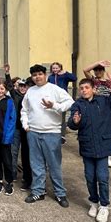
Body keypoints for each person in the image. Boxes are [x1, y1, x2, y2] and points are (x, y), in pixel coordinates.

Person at [68, 74, 111, 222]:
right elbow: (71, 123)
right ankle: (94, 202)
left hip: (103, 146)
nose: (84, 90)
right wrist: (75, 122)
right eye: (81, 88)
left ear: (93, 89)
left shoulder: (105, 101)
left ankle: (104, 206)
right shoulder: (78, 104)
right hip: (87, 146)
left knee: (102, 177)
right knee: (89, 177)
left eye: (87, 87)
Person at [21, 64, 74, 207]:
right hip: (33, 132)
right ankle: (38, 191)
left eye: (40, 74)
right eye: (34, 75)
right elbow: (24, 110)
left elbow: (70, 102)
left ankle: (60, 193)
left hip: (51, 133)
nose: (37, 77)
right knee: (36, 164)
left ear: (45, 74)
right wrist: (26, 125)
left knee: (54, 165)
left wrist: (55, 106)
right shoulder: (30, 91)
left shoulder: (55, 89)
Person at [83, 60, 111, 168]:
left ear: (103, 71)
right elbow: (85, 70)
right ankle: (100, 153)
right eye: (96, 70)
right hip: (96, 108)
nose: (98, 72)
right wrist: (99, 62)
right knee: (98, 130)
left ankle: (109, 155)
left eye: (100, 70)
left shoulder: (110, 82)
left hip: (108, 109)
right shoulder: (93, 81)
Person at [4, 64, 31, 191]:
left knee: (26, 154)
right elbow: (9, 85)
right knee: (13, 152)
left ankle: (27, 177)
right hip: (16, 129)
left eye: (25, 86)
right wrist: (7, 73)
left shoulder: (30, 96)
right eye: (20, 85)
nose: (22, 88)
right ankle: (13, 173)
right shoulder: (15, 95)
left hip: (27, 129)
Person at [48, 62, 77, 142]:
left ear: (60, 68)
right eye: (53, 68)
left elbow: (74, 78)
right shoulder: (50, 77)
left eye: (57, 68)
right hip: (53, 99)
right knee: (53, 116)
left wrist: (66, 73)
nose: (55, 70)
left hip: (62, 99)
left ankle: (62, 136)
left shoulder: (64, 76)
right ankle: (53, 133)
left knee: (62, 118)